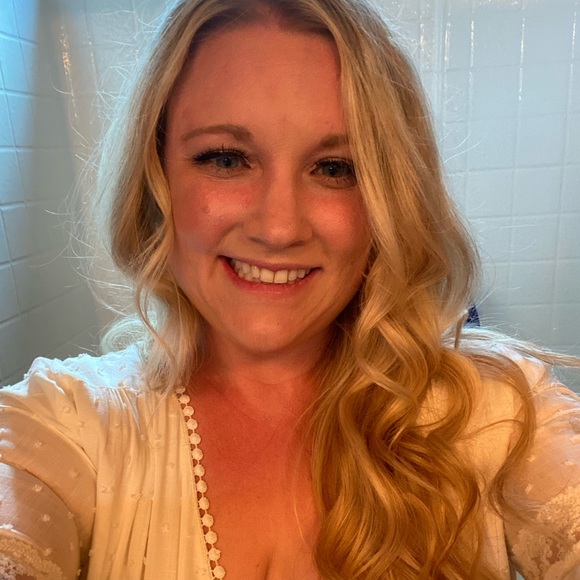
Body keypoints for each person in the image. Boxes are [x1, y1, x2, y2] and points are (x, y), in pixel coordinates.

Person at [1, 0, 579, 578]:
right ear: (156, 178)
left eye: (335, 168)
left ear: (389, 198)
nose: (279, 228)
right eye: (227, 159)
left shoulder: (502, 414)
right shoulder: (66, 422)